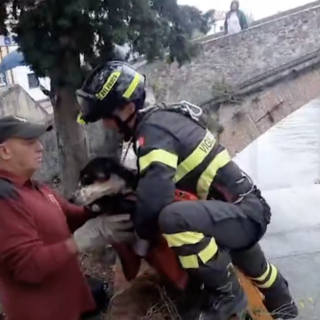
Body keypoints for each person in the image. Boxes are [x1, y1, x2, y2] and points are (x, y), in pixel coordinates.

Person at [75, 61, 299, 319]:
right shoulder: (164, 119)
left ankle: (227, 294)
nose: (106, 125)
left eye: (107, 117)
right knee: (260, 272)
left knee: (172, 219)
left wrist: (134, 231)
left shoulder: (152, 133)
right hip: (238, 210)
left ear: (126, 108)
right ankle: (285, 306)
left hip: (238, 214)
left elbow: (153, 202)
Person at [0, 115, 133, 320]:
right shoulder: (5, 200)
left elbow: (72, 217)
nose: (40, 147)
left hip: (74, 305)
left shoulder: (36, 188)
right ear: (4, 151)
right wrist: (79, 241)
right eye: (29, 142)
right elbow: (28, 266)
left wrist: (104, 199)